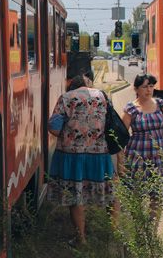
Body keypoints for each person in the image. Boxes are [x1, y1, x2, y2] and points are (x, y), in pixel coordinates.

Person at [47, 71, 115, 244]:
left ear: (73, 85)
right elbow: (111, 123)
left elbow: (54, 128)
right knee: (110, 192)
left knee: (75, 196)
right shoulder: (103, 96)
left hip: (72, 156)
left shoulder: (66, 98)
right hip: (99, 153)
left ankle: (81, 238)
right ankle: (114, 233)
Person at [121, 74, 163, 187]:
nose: (149, 90)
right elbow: (121, 135)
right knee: (138, 189)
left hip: (161, 154)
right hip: (138, 155)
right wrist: (120, 159)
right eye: (145, 87)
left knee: (160, 190)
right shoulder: (131, 108)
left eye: (151, 86)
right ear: (136, 89)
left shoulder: (160, 104)